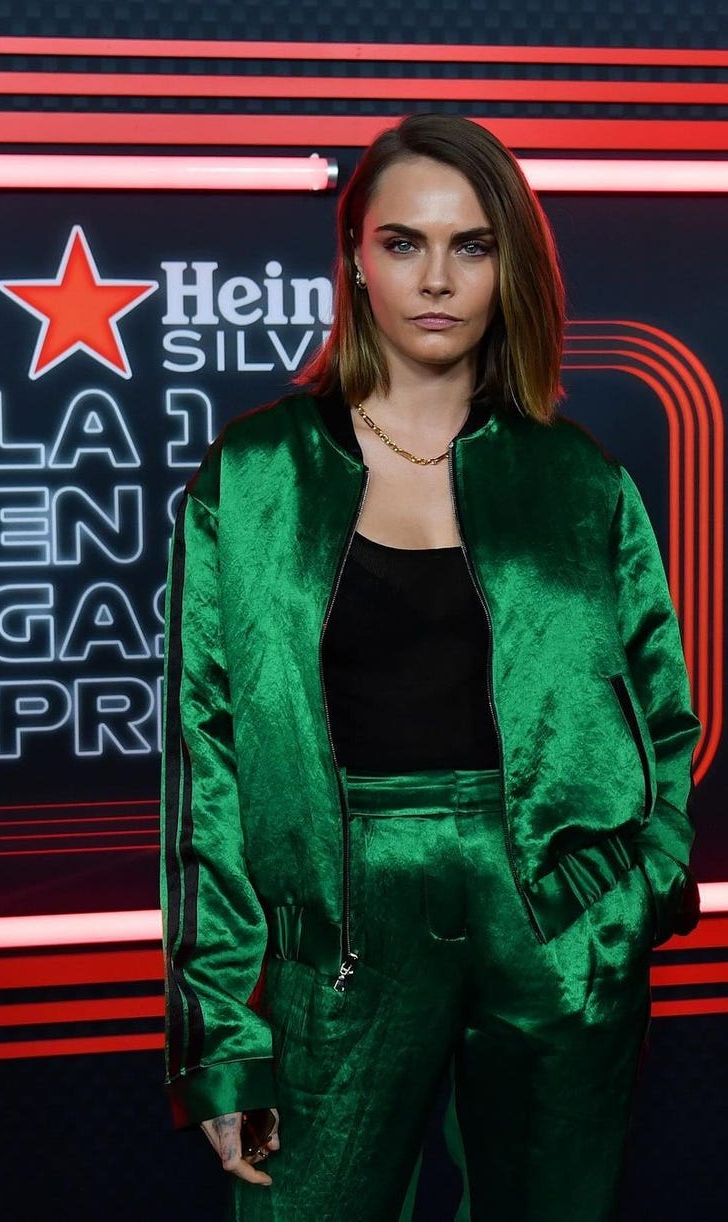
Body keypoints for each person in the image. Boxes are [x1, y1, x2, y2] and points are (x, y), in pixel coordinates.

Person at [159, 113, 701, 1222]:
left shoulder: (577, 480)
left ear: (509, 265)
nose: (437, 278)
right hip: (341, 923)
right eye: (403, 242)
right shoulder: (255, 475)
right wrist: (222, 1035)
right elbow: (203, 764)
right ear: (354, 257)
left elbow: (661, 716)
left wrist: (630, 897)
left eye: (471, 245)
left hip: (552, 917)